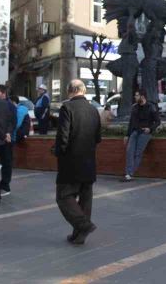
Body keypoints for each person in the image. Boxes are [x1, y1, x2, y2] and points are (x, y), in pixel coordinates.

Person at [54, 80, 102, 245]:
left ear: (70, 91)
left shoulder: (67, 108)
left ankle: (83, 225)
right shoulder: (94, 110)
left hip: (70, 162)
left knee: (63, 196)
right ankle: (79, 235)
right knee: (85, 198)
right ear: (83, 90)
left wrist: (57, 151)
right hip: (89, 160)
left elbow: (63, 137)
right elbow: (98, 138)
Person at [122, 90, 161, 181]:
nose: (135, 97)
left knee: (138, 153)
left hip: (145, 133)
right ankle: (128, 173)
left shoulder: (151, 106)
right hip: (135, 132)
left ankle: (129, 174)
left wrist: (150, 129)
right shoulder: (135, 107)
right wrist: (127, 135)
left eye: (137, 95)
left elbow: (158, 121)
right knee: (129, 152)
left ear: (142, 97)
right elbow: (131, 122)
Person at [0, 85, 18, 196]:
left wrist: (8, 133)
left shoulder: (10, 106)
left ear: (3, 93)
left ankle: (5, 186)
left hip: (8, 139)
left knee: (6, 162)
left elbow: (13, 122)